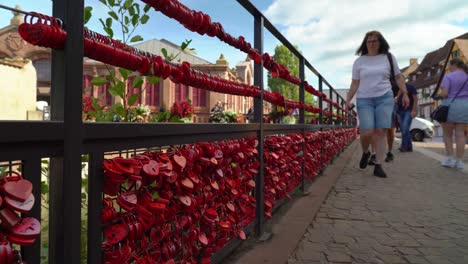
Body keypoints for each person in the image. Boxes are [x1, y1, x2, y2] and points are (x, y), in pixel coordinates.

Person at [346, 30, 409, 178]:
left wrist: (404, 93)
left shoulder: (388, 57)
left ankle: (379, 165)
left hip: (385, 97)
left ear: (380, 43)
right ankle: (366, 152)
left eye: (375, 41)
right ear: (365, 43)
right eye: (369, 41)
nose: (372, 44)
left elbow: (398, 77)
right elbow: (355, 83)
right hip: (365, 99)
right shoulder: (359, 61)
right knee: (366, 130)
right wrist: (348, 99)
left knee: (381, 131)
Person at [439, 58, 468, 170]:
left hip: (450, 106)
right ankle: (459, 161)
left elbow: (445, 93)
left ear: (454, 64)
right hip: (465, 106)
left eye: (449, 66)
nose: (449, 68)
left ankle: (450, 158)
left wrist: (439, 95)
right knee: (460, 134)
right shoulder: (467, 76)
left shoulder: (449, 76)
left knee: (447, 134)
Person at [396, 83, 418, 152]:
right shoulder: (399, 89)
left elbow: (415, 99)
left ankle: (404, 146)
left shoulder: (410, 87)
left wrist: (414, 110)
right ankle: (409, 147)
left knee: (405, 128)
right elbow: (397, 99)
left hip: (408, 110)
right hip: (400, 111)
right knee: (403, 130)